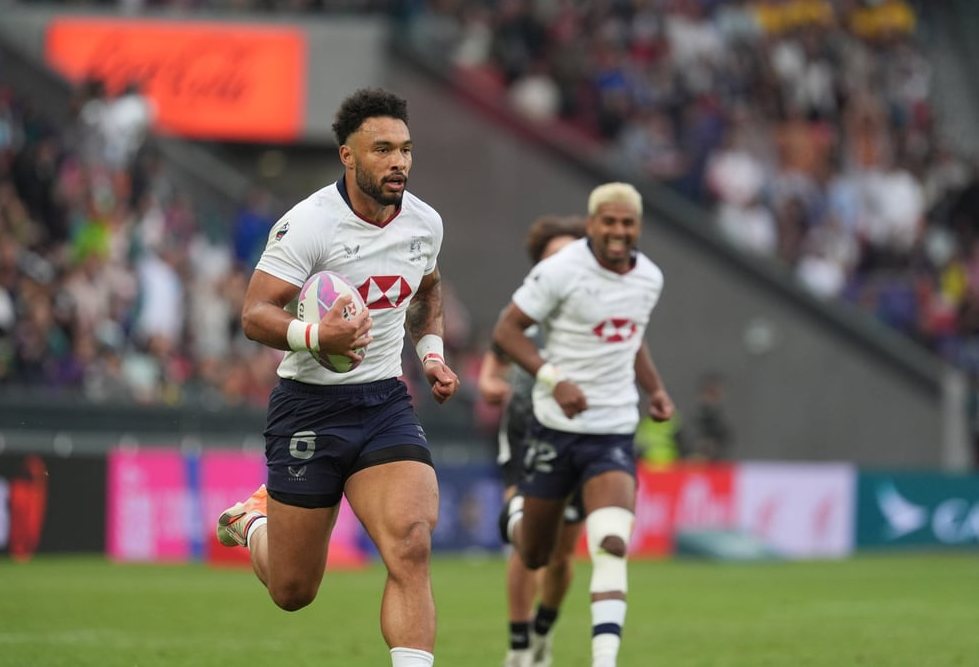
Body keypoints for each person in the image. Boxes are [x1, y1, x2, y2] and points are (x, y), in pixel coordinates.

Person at [215, 87, 461, 667]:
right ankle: (254, 520)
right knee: (293, 591)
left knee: (412, 543)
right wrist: (315, 337)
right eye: (382, 149)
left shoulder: (425, 223)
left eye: (404, 149)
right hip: (308, 408)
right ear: (348, 157)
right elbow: (254, 314)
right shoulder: (307, 225)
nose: (398, 161)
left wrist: (430, 354)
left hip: (383, 404)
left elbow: (427, 291)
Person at [493, 182, 674, 667]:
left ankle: (604, 660)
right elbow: (506, 332)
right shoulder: (560, 271)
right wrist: (555, 380)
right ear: (592, 224)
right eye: (609, 222)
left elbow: (631, 337)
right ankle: (515, 520)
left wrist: (654, 389)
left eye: (627, 223)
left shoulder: (650, 278)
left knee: (611, 542)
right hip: (553, 429)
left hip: (612, 430)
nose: (618, 231)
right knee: (535, 555)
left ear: (637, 227)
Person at [477, 215, 587, 667]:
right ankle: (519, 645)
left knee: (559, 558)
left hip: (580, 439)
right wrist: (490, 385)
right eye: (552, 257)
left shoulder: (598, 313)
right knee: (525, 541)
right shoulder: (522, 312)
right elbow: (493, 366)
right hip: (524, 433)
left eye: (570, 256)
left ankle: (543, 630)